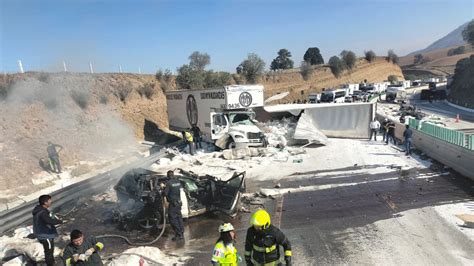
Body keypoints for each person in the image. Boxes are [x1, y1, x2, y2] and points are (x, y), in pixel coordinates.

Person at [32, 195, 63, 266]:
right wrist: (59, 221)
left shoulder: (39, 209)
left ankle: (51, 261)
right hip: (45, 235)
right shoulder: (42, 212)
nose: (51, 201)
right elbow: (48, 221)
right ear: (45, 202)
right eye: (49, 200)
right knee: (48, 251)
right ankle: (50, 263)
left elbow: (46, 218)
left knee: (49, 249)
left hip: (41, 233)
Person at [164, 170, 184, 241]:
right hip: (179, 203)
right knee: (179, 218)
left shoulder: (168, 183)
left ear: (168, 176)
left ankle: (178, 235)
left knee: (173, 219)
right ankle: (181, 232)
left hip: (173, 204)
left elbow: (165, 193)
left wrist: (163, 189)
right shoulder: (178, 182)